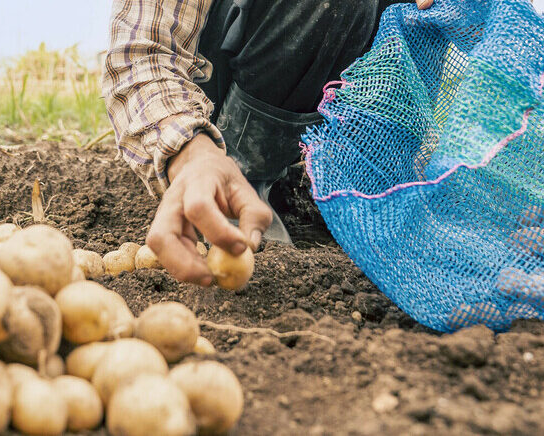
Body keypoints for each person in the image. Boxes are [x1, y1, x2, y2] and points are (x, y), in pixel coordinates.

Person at [103, 0, 434, 286]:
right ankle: (235, 178)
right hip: (213, 98)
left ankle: (365, 181)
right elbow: (140, 55)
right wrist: (193, 154)